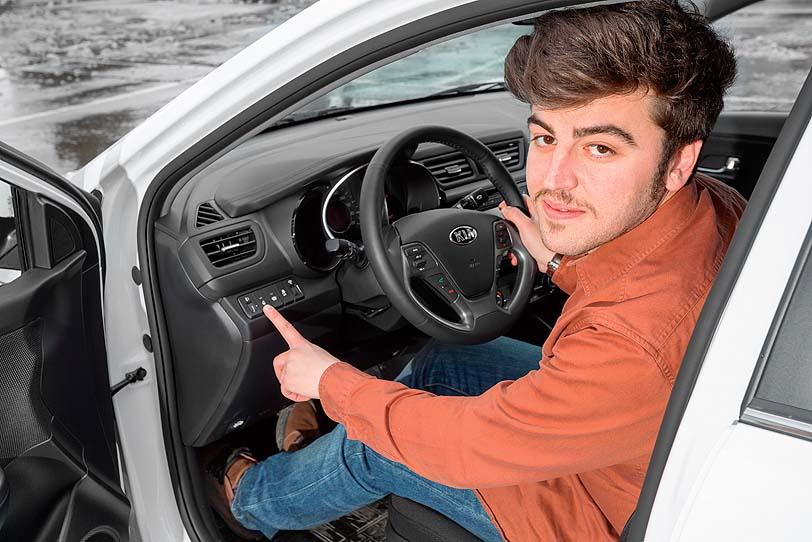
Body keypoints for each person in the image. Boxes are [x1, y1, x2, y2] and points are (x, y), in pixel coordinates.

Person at [218, 1, 744, 540]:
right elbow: (635, 301)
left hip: (599, 513)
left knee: (376, 445)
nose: (554, 181)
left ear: (677, 162)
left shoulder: (630, 343)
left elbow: (468, 446)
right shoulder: (713, 205)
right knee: (447, 359)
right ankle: (315, 460)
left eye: (600, 148)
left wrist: (330, 382)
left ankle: (251, 501)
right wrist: (557, 262)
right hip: (647, 450)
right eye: (545, 138)